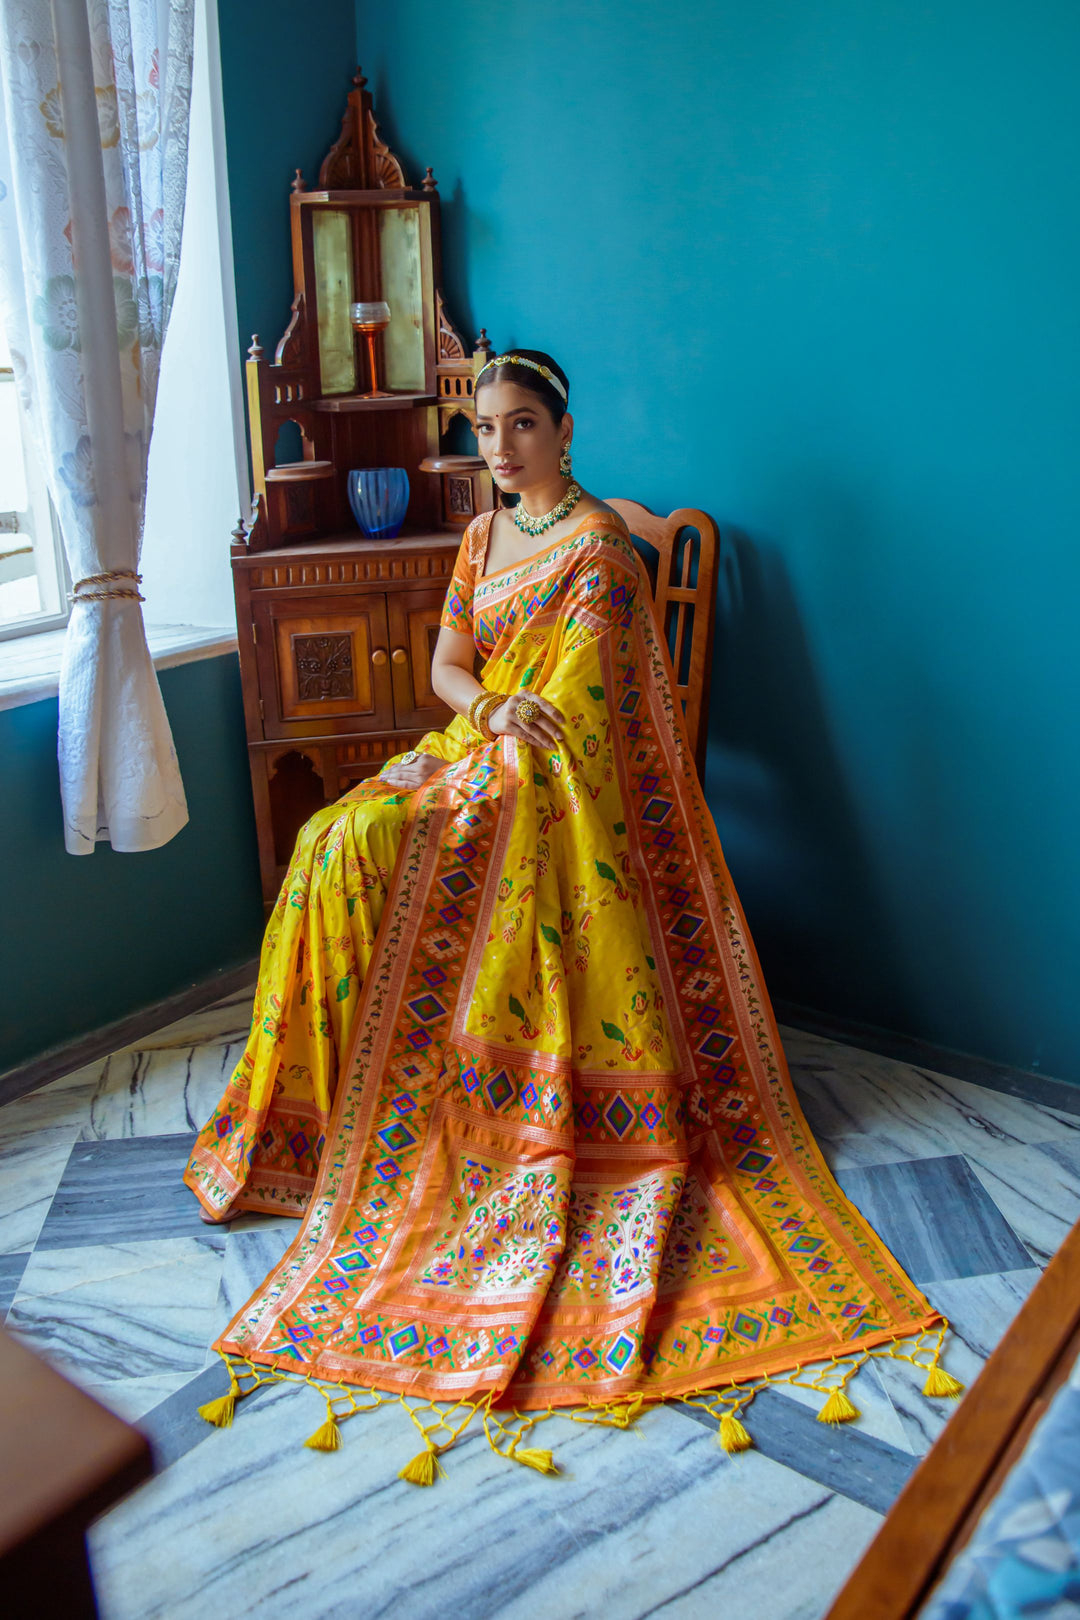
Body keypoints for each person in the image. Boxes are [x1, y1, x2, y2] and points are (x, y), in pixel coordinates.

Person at [184, 351, 948, 1443]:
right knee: (328, 842)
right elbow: (449, 672)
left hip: (553, 783)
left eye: (522, 426)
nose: (499, 448)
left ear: (565, 432)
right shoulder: (480, 535)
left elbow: (586, 712)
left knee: (376, 844)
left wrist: (506, 738)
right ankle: (340, 1111)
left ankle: (431, 1102)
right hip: (482, 746)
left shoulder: (597, 551)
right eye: (486, 428)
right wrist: (486, 715)